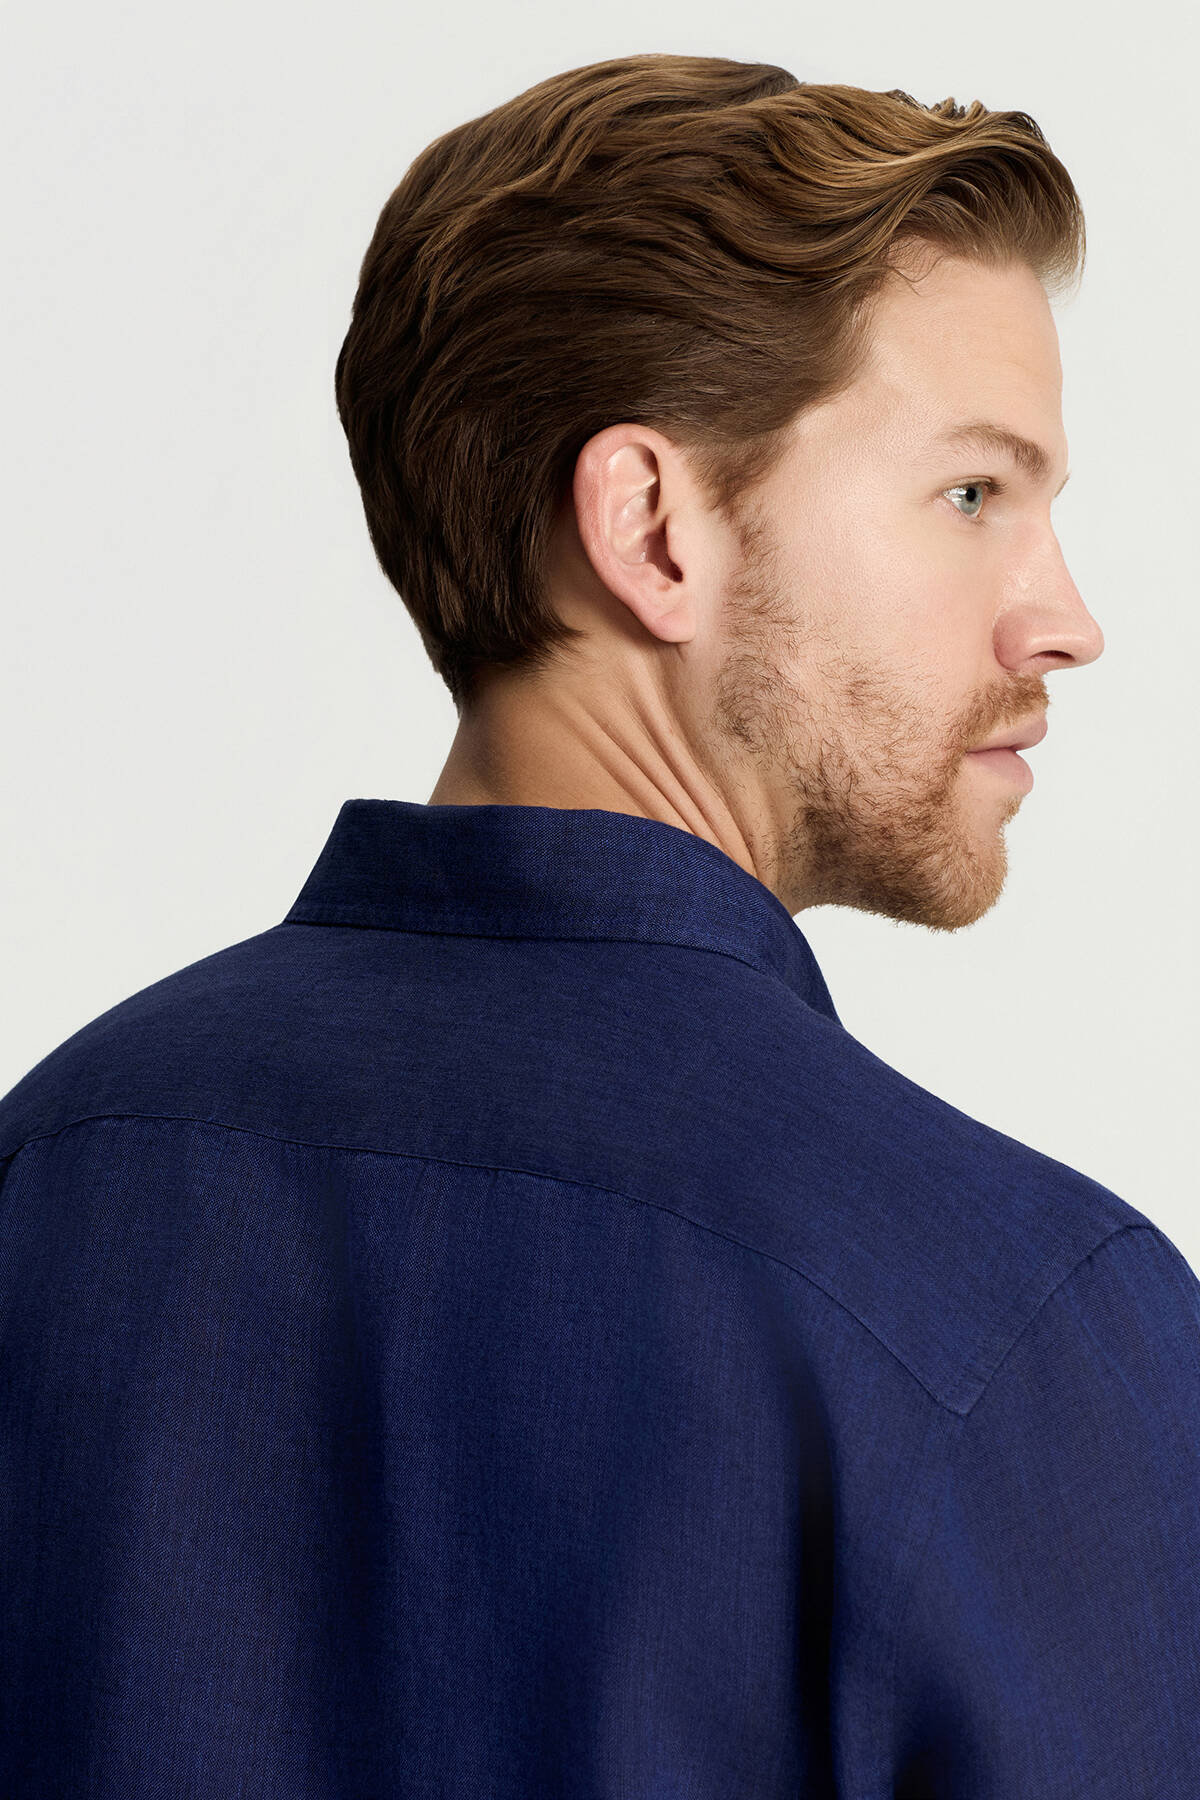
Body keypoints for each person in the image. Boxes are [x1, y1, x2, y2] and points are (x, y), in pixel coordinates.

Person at [1, 51, 1197, 1798]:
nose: (1066, 618)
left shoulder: (51, 1173)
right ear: (652, 527)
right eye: (972, 495)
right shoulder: (1011, 1321)